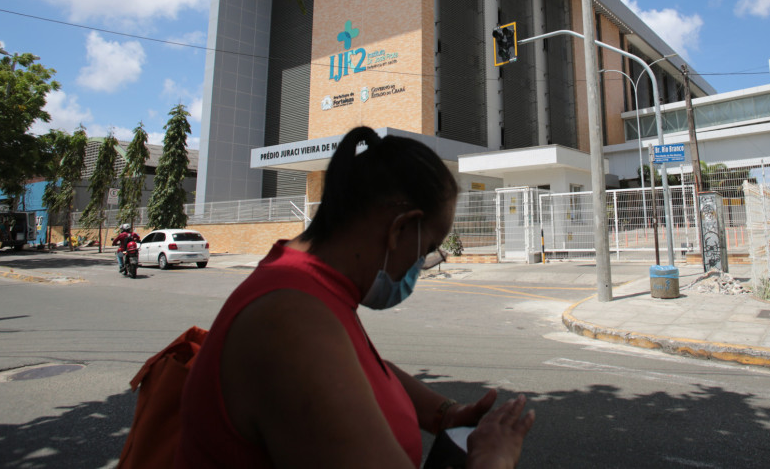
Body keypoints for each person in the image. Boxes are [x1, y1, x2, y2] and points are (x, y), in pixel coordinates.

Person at [176, 127, 534, 468]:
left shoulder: (304, 281)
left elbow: (358, 365)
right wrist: (493, 460)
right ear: (399, 229)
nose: (418, 268)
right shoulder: (291, 323)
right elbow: (321, 362)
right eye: (427, 249)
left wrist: (444, 414)